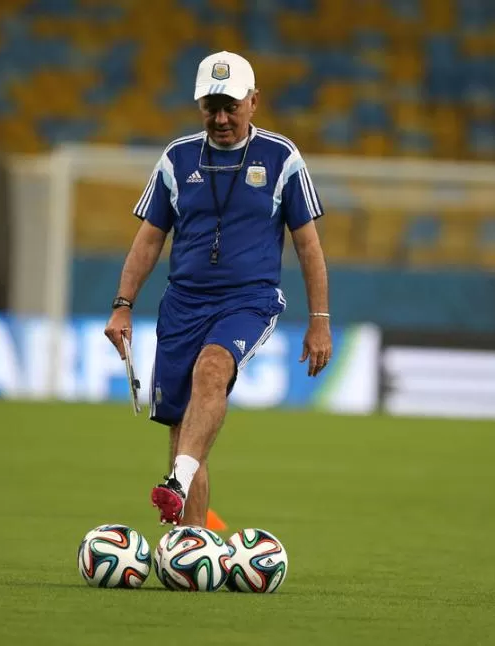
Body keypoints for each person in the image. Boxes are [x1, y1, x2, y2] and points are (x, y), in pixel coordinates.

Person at [104, 51, 332, 527]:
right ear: (199, 105)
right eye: (211, 106)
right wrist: (122, 306)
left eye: (231, 105)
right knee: (185, 435)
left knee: (212, 369)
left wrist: (319, 321)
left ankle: (176, 485)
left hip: (248, 301)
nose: (221, 118)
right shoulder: (176, 159)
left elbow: (308, 246)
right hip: (182, 304)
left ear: (254, 101)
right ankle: (187, 545)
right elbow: (148, 240)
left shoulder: (282, 159)